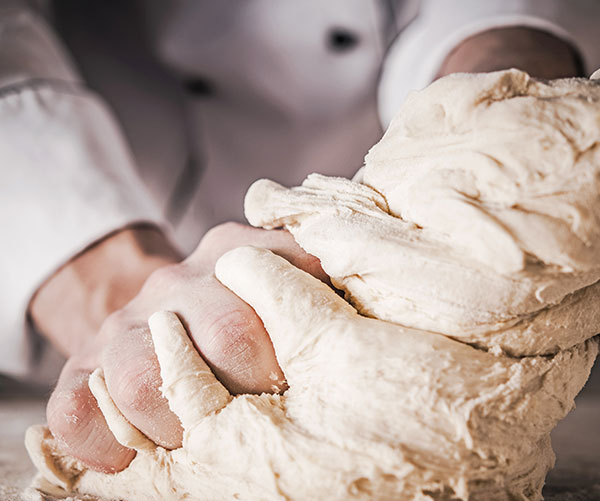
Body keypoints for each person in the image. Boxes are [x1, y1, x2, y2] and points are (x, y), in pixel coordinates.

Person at [2, 0, 599, 472]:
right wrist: (102, 279)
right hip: (107, 201)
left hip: (439, 244)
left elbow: (502, 37)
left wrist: (510, 114)